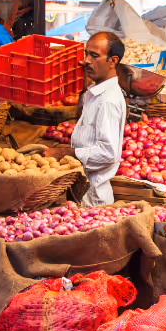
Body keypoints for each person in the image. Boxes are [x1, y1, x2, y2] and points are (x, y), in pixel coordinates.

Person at [71, 32, 128, 206]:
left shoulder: (108, 100)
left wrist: (69, 154)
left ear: (112, 61)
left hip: (93, 200)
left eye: (94, 56)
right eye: (86, 54)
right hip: (83, 194)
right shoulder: (95, 93)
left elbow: (108, 152)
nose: (86, 60)